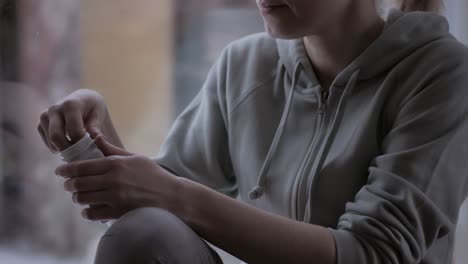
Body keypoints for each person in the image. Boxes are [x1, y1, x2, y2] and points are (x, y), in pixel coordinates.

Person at [38, 0, 468, 263]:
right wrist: (93, 141)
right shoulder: (243, 66)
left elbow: (374, 254)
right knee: (145, 231)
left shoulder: (441, 75)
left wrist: (172, 194)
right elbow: (154, 217)